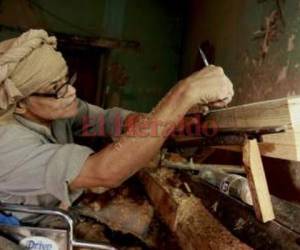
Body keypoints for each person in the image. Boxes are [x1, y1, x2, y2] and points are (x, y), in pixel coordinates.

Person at [0, 29, 234, 223]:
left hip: (63, 206)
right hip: (26, 228)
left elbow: (111, 121)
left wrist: (172, 120)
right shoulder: (7, 147)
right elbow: (104, 172)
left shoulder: (57, 109)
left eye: (67, 80)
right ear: (20, 104)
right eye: (56, 89)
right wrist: (184, 94)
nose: (70, 92)